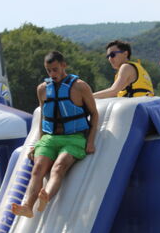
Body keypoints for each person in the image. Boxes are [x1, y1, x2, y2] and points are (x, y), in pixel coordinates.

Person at [11, 51, 99, 218]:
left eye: (55, 69)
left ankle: (46, 197)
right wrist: (37, 143)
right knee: (37, 169)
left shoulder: (80, 86)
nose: (52, 74)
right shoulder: (43, 89)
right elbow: (44, 117)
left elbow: (94, 114)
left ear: (63, 65)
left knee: (59, 167)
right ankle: (27, 206)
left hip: (74, 137)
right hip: (50, 138)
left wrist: (91, 141)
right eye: (48, 71)